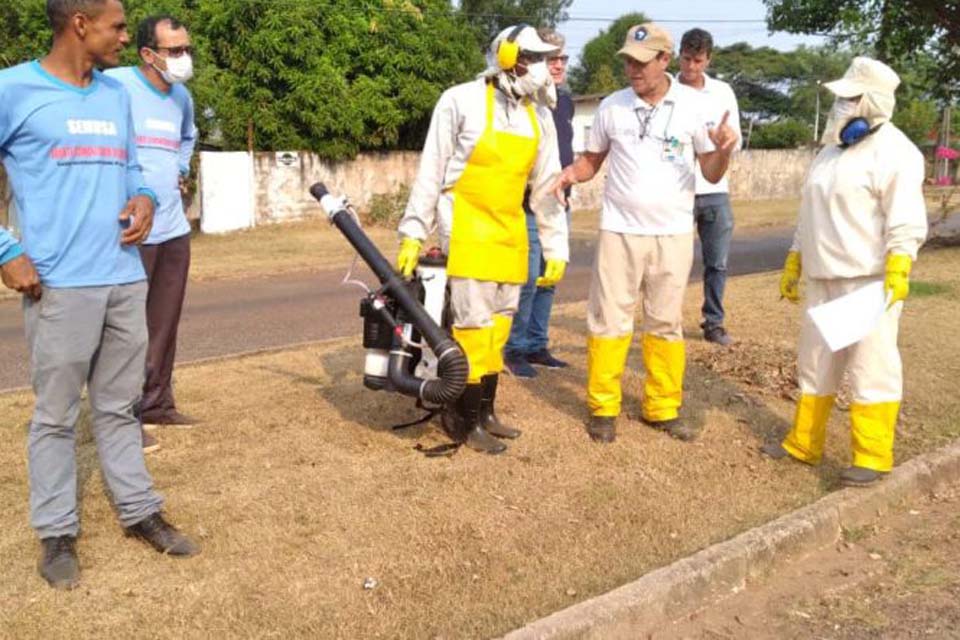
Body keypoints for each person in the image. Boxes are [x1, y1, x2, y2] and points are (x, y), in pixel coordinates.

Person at [0, 0, 199, 590]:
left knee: (119, 407)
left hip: (123, 276)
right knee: (57, 417)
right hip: (58, 284)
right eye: (116, 26)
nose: (122, 35)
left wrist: (140, 197)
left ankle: (140, 512)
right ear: (79, 24)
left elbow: (134, 168)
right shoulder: (13, 88)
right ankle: (57, 533)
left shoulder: (115, 95)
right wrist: (6, 251)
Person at [552, 23, 737, 444]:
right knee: (608, 320)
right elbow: (591, 161)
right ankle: (602, 406)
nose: (632, 69)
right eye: (627, 61)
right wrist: (570, 175)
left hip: (672, 233)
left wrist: (723, 153)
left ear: (664, 60)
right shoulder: (611, 108)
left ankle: (662, 407)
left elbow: (709, 170)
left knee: (665, 322)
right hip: (619, 231)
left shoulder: (691, 107)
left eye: (640, 62)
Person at [397, 25, 569, 454]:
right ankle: (464, 419)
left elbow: (547, 186)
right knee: (472, 328)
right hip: (468, 225)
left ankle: (487, 411)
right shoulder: (461, 100)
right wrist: (414, 232)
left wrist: (555, 245)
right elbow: (431, 170)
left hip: (510, 228)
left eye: (549, 59)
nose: (546, 68)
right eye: (537, 58)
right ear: (509, 56)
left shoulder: (539, 115)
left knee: (500, 326)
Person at [762, 57, 928, 487]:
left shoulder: (896, 152)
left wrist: (899, 263)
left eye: (850, 98)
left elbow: (906, 217)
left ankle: (873, 455)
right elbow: (808, 211)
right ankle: (804, 442)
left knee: (871, 367)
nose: (840, 105)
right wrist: (796, 257)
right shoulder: (830, 153)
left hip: (868, 279)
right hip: (823, 275)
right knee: (815, 363)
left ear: (872, 101)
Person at [105, 15, 199, 443]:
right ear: (148, 54)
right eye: (174, 51)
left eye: (187, 49)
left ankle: (158, 405)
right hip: (131, 229)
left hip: (174, 230)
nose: (184, 58)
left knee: (164, 323)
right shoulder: (115, 85)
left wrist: (180, 169)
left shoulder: (182, 97)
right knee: (127, 328)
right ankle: (123, 419)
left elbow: (188, 137)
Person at [503, 28, 576, 379]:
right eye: (551, 59)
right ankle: (514, 348)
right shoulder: (523, 99)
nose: (558, 65)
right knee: (528, 280)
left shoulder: (564, 101)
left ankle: (537, 344)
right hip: (529, 205)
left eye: (562, 58)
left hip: (559, 203)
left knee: (549, 280)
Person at [677, 28, 741, 346]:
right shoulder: (667, 91)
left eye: (697, 60)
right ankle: (667, 319)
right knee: (672, 261)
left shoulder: (722, 93)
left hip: (714, 189)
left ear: (708, 59)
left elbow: (735, 140)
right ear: (679, 55)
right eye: (686, 59)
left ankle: (713, 322)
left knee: (717, 261)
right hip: (676, 189)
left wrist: (724, 143)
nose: (691, 67)